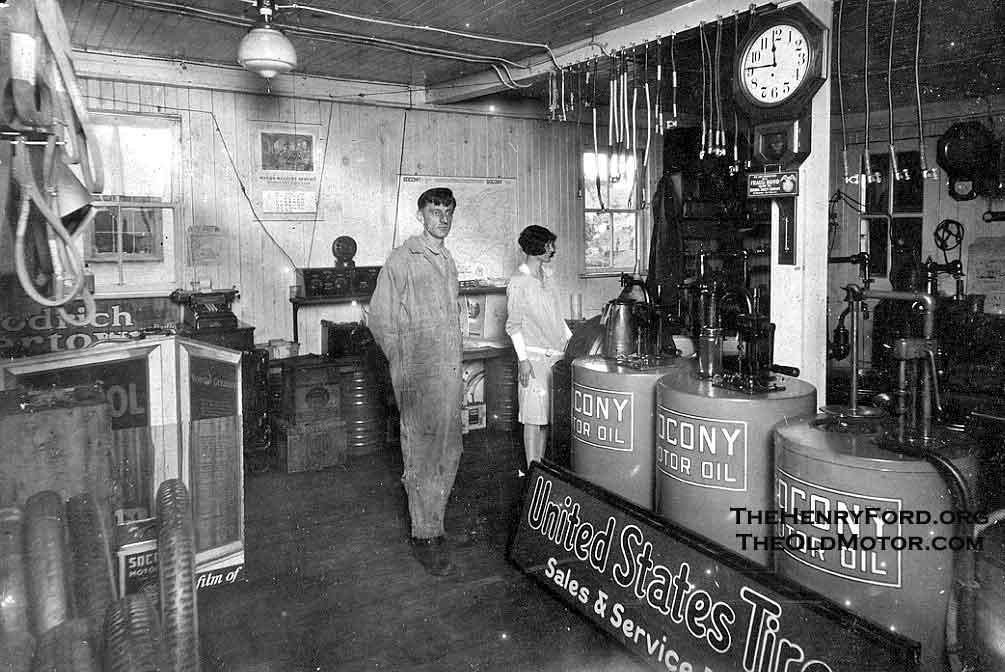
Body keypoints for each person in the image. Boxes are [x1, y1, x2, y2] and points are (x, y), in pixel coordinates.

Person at [368, 187, 464, 576]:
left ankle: (435, 522)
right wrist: (405, 361)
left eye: (448, 211)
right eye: (434, 210)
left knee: (450, 449)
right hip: (419, 373)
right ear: (420, 215)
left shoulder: (447, 259)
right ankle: (426, 534)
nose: (442, 217)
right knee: (422, 452)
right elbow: (379, 319)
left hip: (448, 371)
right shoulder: (402, 259)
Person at [505, 225, 572, 468]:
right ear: (535, 248)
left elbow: (557, 317)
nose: (552, 250)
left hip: (556, 357)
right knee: (533, 420)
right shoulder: (519, 282)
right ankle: (532, 472)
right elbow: (513, 326)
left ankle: (541, 468)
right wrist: (523, 361)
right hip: (533, 360)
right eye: (547, 245)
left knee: (546, 418)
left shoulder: (547, 276)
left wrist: (572, 343)